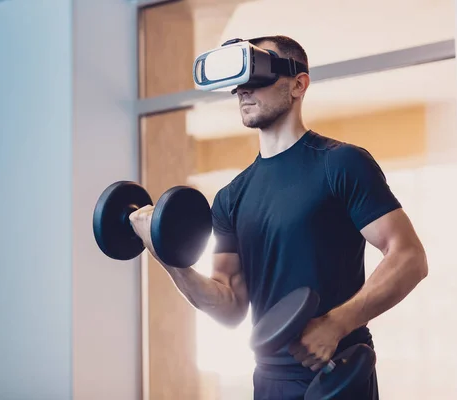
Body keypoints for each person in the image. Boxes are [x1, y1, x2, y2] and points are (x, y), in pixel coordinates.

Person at [129, 35, 428, 400]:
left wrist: (336, 324)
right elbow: (229, 309)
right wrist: (167, 256)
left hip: (338, 375)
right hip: (269, 382)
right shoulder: (231, 197)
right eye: (239, 82)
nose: (243, 90)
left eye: (258, 76)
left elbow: (409, 257)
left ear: (298, 85)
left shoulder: (341, 163)